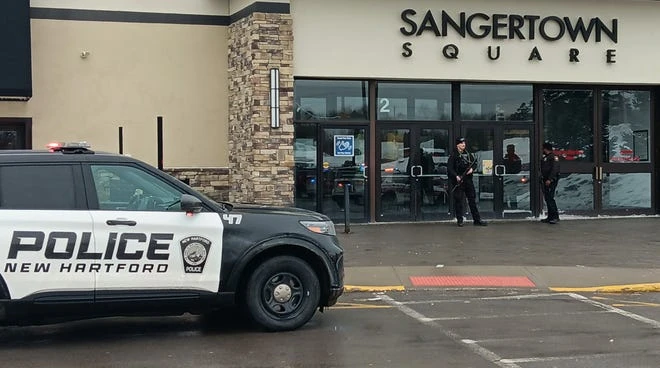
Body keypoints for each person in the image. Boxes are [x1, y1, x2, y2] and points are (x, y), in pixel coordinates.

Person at [447, 137, 487, 227]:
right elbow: (450, 168)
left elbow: (474, 163)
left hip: (468, 180)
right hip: (458, 181)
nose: (463, 144)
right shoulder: (453, 155)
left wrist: (472, 169)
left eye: (464, 143)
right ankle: (460, 220)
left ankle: (477, 220)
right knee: (459, 201)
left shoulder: (468, 154)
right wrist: (456, 176)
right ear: (457, 145)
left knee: (472, 200)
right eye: (461, 143)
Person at [540, 142, 560, 224]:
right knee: (547, 198)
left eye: (543, 149)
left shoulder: (553, 157)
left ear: (545, 149)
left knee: (550, 198)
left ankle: (555, 216)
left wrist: (550, 179)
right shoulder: (547, 157)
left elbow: (554, 169)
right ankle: (550, 216)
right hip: (545, 180)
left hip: (551, 180)